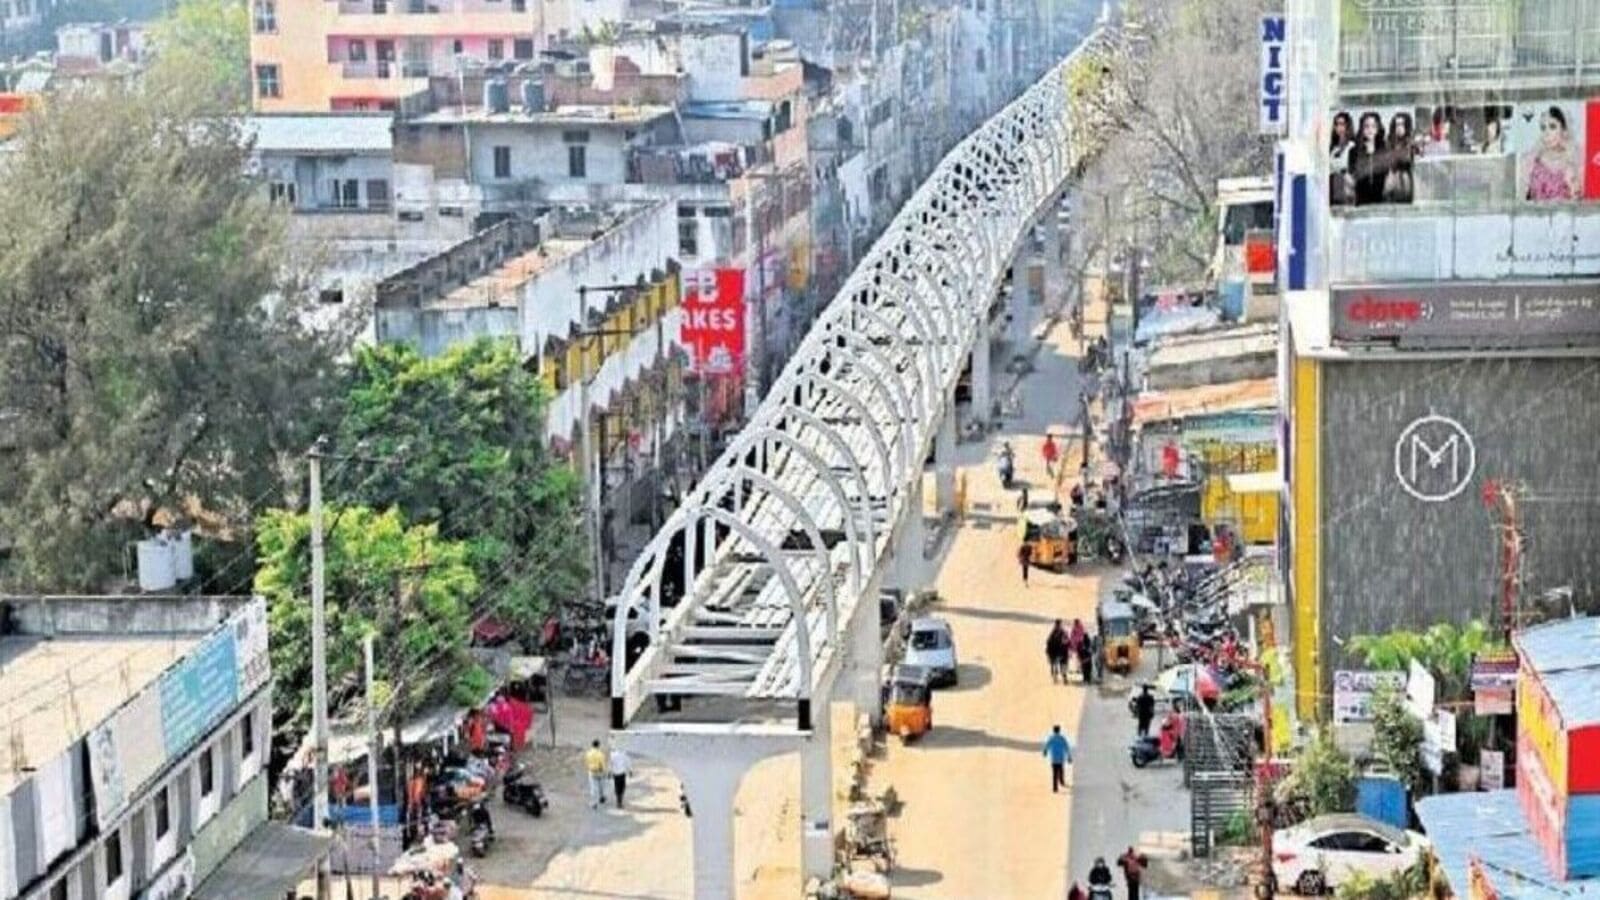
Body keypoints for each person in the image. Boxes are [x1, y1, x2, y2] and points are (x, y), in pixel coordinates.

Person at [1524, 106, 1581, 201]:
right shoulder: (1534, 160)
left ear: (1563, 129)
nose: (1547, 133)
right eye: (1543, 128)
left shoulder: (1571, 160)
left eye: (1552, 127)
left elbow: (1576, 198)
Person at [1347, 111, 1388, 205]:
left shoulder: (1384, 150)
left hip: (1381, 199)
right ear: (1362, 128)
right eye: (1366, 126)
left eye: (1373, 126)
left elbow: (1387, 174)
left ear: (1378, 128)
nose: (1370, 130)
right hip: (1360, 198)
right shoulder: (1354, 151)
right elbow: (1352, 175)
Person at [1383, 112, 1415, 203]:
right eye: (1397, 125)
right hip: (1392, 178)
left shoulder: (1411, 142)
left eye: (1402, 124)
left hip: (1406, 178)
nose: (1399, 128)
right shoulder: (1389, 142)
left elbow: (1409, 160)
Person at [1329, 110, 1355, 205]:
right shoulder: (1333, 148)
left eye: (1342, 124)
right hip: (1332, 191)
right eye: (1337, 124)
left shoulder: (1352, 147)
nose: (1339, 128)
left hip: (1346, 191)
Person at [1042, 725, 1073, 793]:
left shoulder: (1051, 738)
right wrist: (1069, 757)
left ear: (1053, 730)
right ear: (1059, 730)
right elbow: (1066, 747)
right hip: (1061, 758)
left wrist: (1045, 752)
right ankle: (1061, 781)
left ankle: (1055, 788)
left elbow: (1047, 745)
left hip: (1054, 758)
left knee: (1054, 773)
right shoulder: (1062, 738)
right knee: (1061, 770)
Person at [584, 739, 608, 808]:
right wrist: (604, 772)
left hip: (592, 772)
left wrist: (589, 768)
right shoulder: (600, 754)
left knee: (593, 788)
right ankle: (602, 797)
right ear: (598, 746)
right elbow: (603, 764)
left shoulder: (588, 753)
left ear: (592, 745)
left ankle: (594, 803)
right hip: (600, 771)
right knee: (602, 785)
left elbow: (586, 762)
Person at [609, 745, 633, 809]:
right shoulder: (624, 755)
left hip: (615, 774)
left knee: (617, 786)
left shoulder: (612, 755)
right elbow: (628, 763)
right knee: (623, 787)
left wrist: (609, 772)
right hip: (622, 773)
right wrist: (630, 771)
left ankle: (618, 799)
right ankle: (620, 800)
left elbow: (610, 764)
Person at [1047, 619, 1069, 683]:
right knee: (1055, 665)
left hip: (1062, 652)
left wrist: (1065, 643)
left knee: (1063, 666)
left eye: (1059, 624)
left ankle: (1064, 678)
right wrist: (1049, 653)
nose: (1058, 626)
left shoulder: (1063, 632)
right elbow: (1049, 643)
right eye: (1058, 625)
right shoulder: (1053, 633)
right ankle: (1056, 678)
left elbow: (1067, 641)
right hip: (1055, 652)